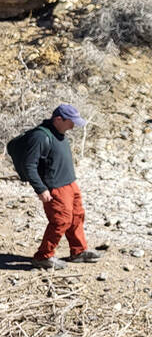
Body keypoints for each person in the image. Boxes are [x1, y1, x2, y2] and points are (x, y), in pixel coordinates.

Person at [19, 104, 101, 270]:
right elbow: (29, 165)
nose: (73, 126)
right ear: (58, 119)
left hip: (70, 184)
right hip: (55, 187)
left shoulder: (60, 132)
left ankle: (78, 251)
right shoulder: (40, 137)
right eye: (71, 122)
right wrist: (41, 189)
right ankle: (43, 256)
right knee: (60, 221)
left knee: (77, 216)